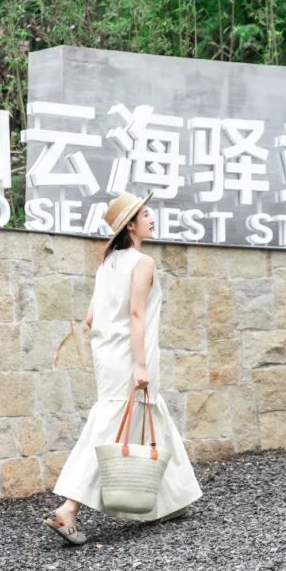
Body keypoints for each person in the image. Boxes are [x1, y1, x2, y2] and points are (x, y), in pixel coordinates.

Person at [43, 190, 203, 545]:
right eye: (145, 214)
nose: (151, 218)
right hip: (131, 358)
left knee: (148, 420)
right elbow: (135, 315)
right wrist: (141, 366)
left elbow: (90, 318)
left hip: (109, 358)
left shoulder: (106, 265)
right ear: (130, 225)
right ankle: (68, 508)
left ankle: (171, 502)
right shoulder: (142, 263)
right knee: (111, 431)